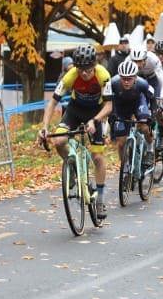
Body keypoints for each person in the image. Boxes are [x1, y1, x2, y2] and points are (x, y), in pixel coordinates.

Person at [39, 44, 113, 217]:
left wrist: (95, 120)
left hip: (97, 112)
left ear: (94, 65)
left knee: (97, 157)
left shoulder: (103, 75)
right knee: (58, 140)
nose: (84, 73)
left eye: (88, 69)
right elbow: (52, 103)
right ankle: (71, 167)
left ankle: (100, 199)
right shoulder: (69, 76)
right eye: (80, 69)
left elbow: (109, 106)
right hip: (75, 110)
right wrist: (44, 126)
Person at [104, 60, 156, 200]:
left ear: (135, 77)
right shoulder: (113, 83)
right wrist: (111, 117)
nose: (126, 82)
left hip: (139, 104)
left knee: (144, 126)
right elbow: (107, 102)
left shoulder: (142, 84)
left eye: (129, 79)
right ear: (119, 76)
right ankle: (126, 168)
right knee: (121, 142)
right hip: (120, 109)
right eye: (123, 79)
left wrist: (152, 116)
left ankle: (150, 148)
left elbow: (153, 99)